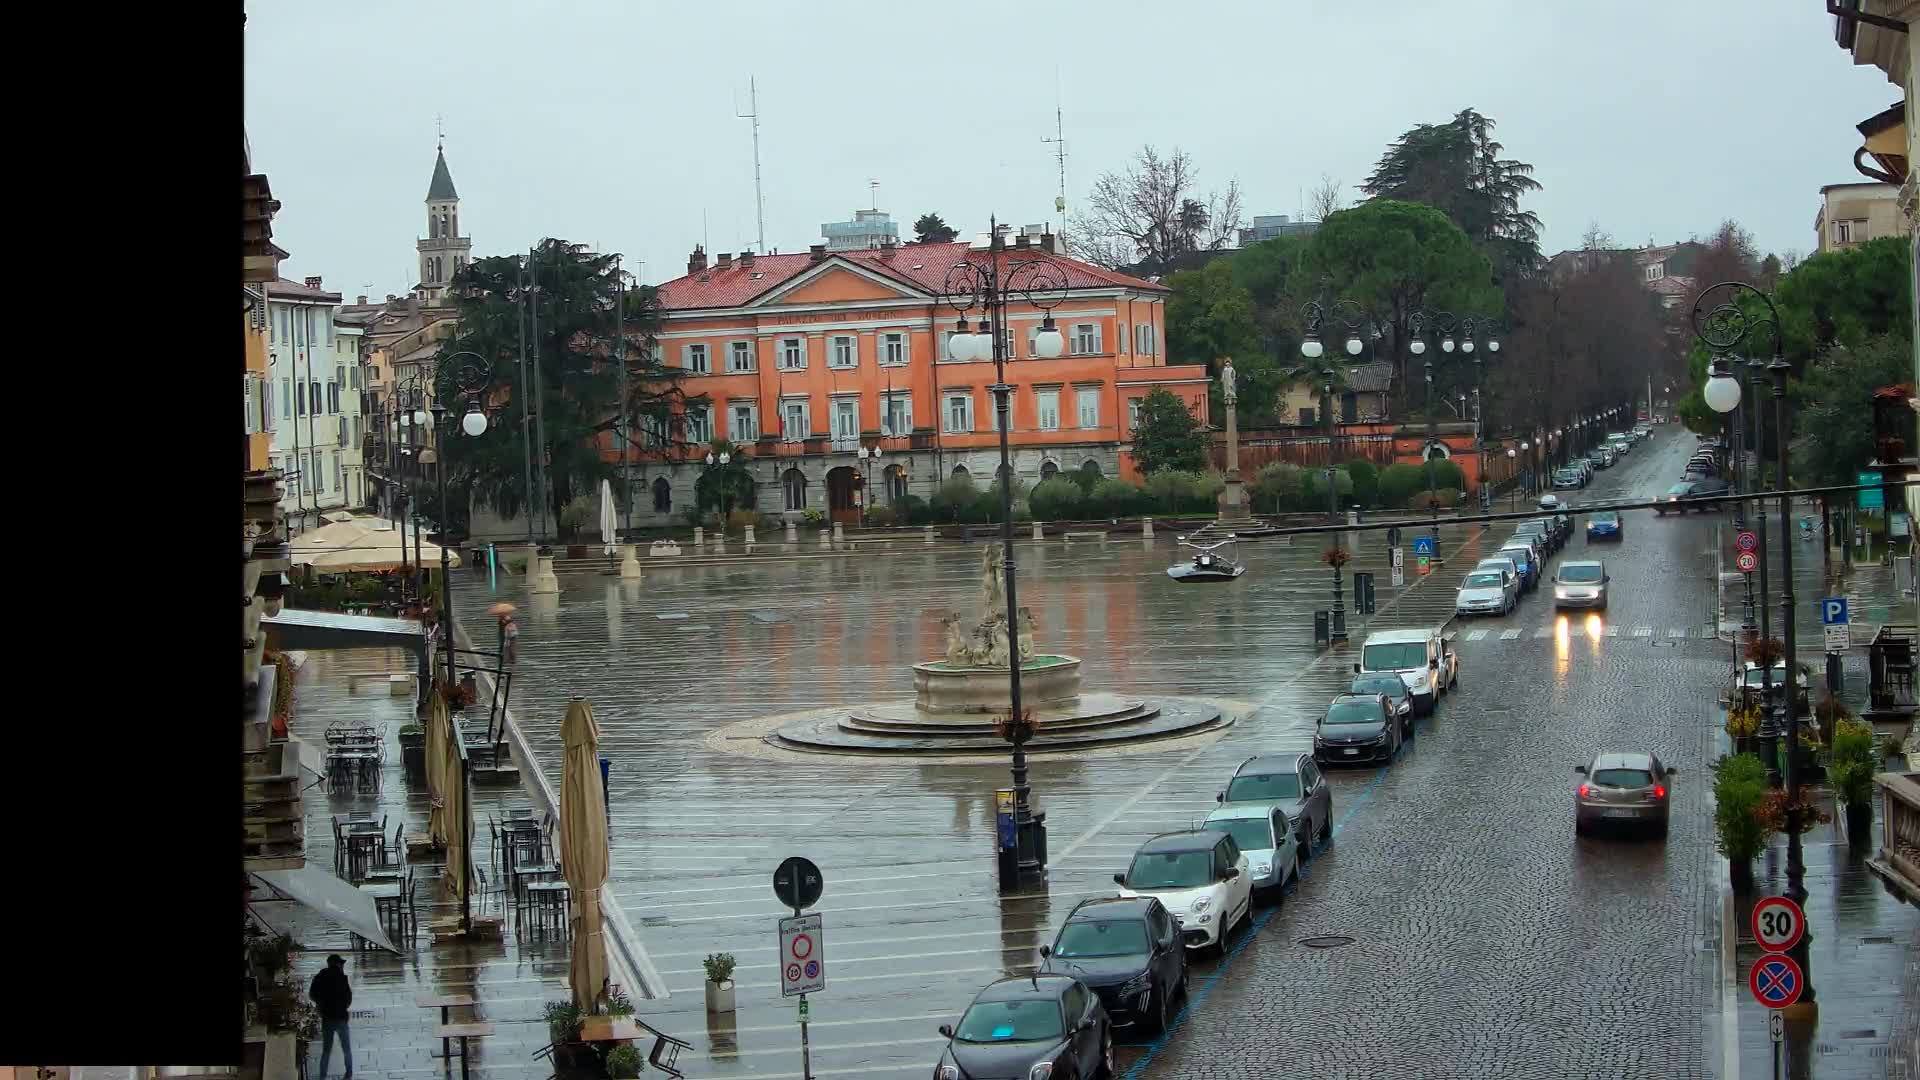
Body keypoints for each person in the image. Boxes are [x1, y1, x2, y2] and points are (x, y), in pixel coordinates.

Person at [310, 954, 353, 1078]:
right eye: (341, 963)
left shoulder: (320, 977)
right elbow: (348, 999)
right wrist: (343, 1006)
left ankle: (322, 1076)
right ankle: (349, 1074)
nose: (342, 965)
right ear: (336, 964)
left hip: (327, 1017)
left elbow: (312, 995)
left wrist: (321, 1003)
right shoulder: (342, 977)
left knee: (326, 1051)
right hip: (341, 1017)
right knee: (346, 1049)